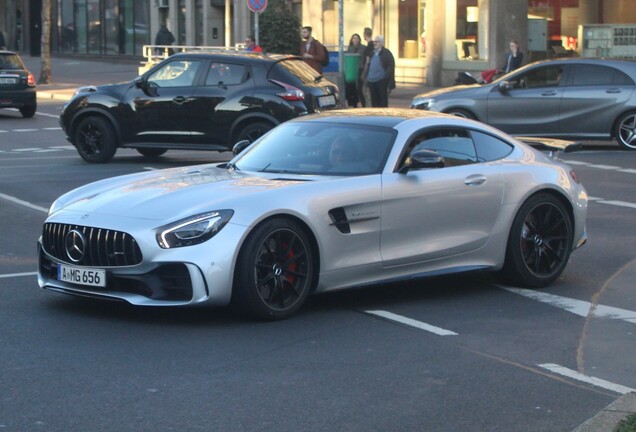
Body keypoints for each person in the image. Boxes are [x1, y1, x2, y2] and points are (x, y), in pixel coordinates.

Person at [365, 35, 395, 108]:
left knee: (382, 101)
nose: (375, 43)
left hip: (381, 81)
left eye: (377, 42)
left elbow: (391, 65)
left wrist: (385, 76)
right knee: (374, 102)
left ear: (382, 43)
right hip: (371, 81)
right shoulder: (372, 53)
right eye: (374, 42)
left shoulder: (386, 53)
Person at [345, 33, 364, 107]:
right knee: (351, 88)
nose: (355, 40)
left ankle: (362, 103)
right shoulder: (350, 48)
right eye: (354, 38)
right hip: (352, 71)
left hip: (360, 69)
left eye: (357, 38)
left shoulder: (363, 48)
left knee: (360, 88)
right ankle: (353, 103)